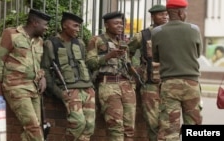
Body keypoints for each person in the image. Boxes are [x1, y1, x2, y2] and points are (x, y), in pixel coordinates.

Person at [0, 9, 51, 141]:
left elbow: (36, 64)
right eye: (45, 24)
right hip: (16, 86)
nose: (46, 28)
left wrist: (42, 77)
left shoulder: (39, 41)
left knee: (35, 128)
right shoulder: (11, 34)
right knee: (34, 128)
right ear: (35, 23)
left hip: (34, 88)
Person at [151, 0, 203, 140]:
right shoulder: (194, 29)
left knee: (169, 128)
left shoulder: (157, 32)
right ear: (181, 13)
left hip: (169, 84)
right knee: (193, 126)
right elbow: (197, 54)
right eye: (185, 11)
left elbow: (156, 58)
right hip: (191, 83)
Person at [41, 12, 96, 141]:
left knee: (89, 126)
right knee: (77, 123)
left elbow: (84, 65)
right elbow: (45, 70)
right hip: (70, 90)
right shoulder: (50, 44)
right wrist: (58, 92)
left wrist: (91, 85)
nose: (78, 29)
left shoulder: (80, 43)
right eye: (75, 26)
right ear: (65, 25)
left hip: (87, 89)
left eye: (79, 27)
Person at [86, 11, 136, 141]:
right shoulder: (96, 40)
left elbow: (128, 64)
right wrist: (108, 56)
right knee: (115, 127)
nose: (120, 26)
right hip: (108, 85)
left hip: (126, 85)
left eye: (121, 23)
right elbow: (90, 63)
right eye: (116, 23)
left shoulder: (124, 42)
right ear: (107, 25)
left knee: (129, 128)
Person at [128, 4, 168, 141]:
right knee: (153, 123)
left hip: (170, 84)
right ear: (152, 16)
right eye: (161, 14)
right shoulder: (143, 35)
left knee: (168, 122)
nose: (165, 17)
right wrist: (135, 69)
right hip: (150, 84)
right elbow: (126, 53)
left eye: (166, 14)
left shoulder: (171, 33)